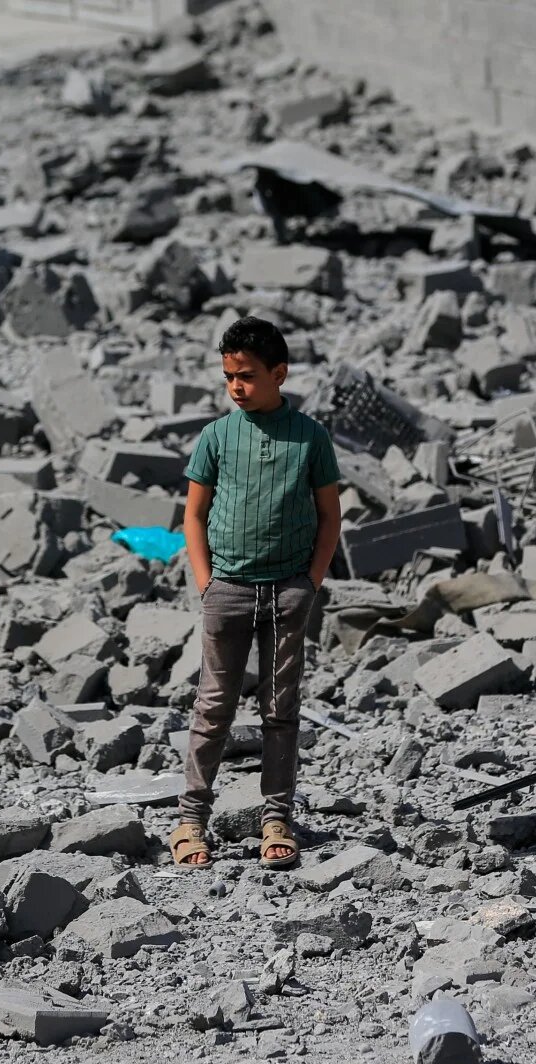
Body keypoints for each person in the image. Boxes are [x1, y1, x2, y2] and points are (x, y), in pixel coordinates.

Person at [168, 316, 341, 870]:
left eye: (246, 376)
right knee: (213, 706)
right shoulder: (217, 436)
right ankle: (190, 820)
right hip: (229, 590)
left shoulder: (311, 437)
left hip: (287, 592)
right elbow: (193, 515)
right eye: (228, 377)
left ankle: (276, 819)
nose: (236, 387)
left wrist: (309, 583)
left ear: (279, 374)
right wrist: (206, 582)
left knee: (279, 709)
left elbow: (329, 515)